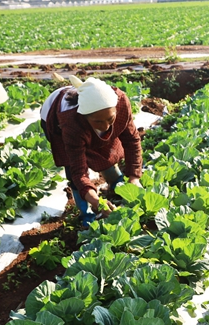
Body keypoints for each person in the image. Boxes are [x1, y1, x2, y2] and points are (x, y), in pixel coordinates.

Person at [41, 76, 142, 226]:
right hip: (53, 120)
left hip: (86, 119)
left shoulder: (120, 103)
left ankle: (116, 182)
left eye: (110, 119)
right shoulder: (71, 122)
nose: (106, 126)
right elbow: (78, 171)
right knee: (71, 165)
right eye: (98, 121)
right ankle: (86, 212)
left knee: (106, 147)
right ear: (85, 117)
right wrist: (97, 202)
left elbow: (132, 140)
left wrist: (134, 177)